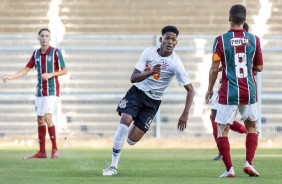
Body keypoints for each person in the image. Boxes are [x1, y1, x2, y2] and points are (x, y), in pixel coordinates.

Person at [102, 25, 194, 176]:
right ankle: (113, 166)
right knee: (124, 121)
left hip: (152, 103)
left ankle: (135, 118)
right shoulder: (148, 52)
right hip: (137, 93)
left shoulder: (176, 63)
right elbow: (133, 78)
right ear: (161, 39)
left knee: (132, 140)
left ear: (176, 42)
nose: (170, 41)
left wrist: (185, 113)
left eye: (173, 39)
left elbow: (190, 89)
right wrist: (150, 71)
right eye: (167, 38)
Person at [205, 5, 263, 178]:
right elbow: (259, 66)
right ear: (245, 20)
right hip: (249, 91)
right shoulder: (255, 40)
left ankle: (230, 169)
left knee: (223, 129)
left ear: (229, 18)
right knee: (251, 127)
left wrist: (209, 89)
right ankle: (249, 164)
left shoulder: (221, 40)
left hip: (228, 91)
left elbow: (214, 68)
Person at [3, 28, 67, 159]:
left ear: (50, 38)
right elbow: (27, 69)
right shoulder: (36, 54)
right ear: (38, 38)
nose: (44, 38)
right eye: (42, 36)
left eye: (46, 36)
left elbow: (64, 70)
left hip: (52, 91)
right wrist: (11, 76)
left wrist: (51, 74)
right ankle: (42, 152)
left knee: (48, 117)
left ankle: (55, 149)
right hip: (39, 92)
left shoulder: (55, 52)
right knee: (40, 119)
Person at [210, 22, 249, 161]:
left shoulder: (228, 41)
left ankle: (225, 154)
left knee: (218, 118)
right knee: (216, 117)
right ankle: (246, 133)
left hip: (228, 89)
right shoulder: (249, 45)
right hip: (238, 88)